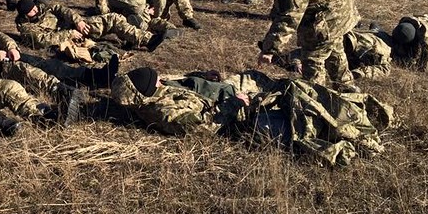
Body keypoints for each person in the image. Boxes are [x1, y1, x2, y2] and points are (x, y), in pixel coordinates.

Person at [112, 66, 392, 166]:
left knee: (297, 90)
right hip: (243, 122)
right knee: (302, 127)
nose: (160, 81)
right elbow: (205, 128)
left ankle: (358, 116)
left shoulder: (159, 92)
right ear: (143, 95)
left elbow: (185, 88)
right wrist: (237, 104)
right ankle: (356, 141)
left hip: (238, 103)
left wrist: (201, 78)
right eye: (154, 82)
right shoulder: (166, 112)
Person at [0, 15, 116, 101]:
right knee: (29, 73)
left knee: (47, 64)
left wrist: (10, 46)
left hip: (6, 55)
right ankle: (63, 92)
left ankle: (93, 76)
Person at [15, 0, 173, 53]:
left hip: (73, 28)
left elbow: (61, 9)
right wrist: (69, 34)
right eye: (31, 11)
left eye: (34, 7)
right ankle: (138, 39)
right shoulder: (25, 27)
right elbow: (43, 40)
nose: (35, 10)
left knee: (113, 18)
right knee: (114, 20)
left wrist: (78, 21)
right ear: (24, 15)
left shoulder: (41, 8)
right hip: (65, 38)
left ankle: (147, 39)